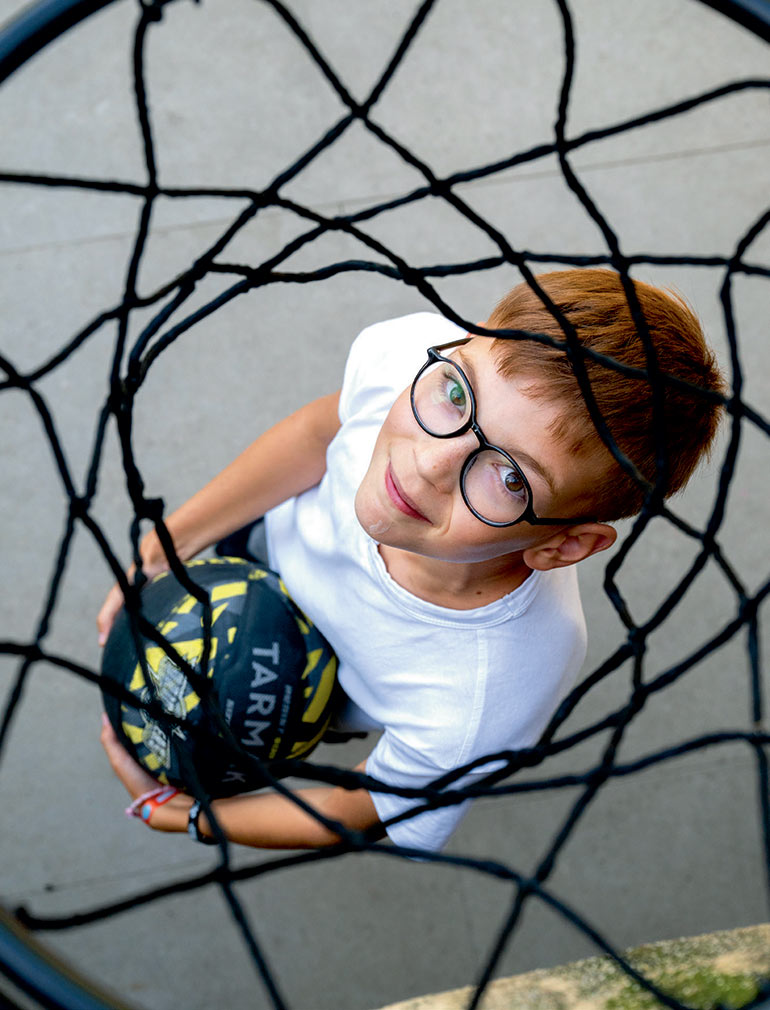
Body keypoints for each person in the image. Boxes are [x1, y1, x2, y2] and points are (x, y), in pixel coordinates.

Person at [97, 268, 725, 853]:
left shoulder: (484, 695)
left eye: (508, 477)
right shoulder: (420, 360)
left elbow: (367, 805)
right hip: (263, 551)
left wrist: (181, 815)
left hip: (321, 692)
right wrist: (165, 545)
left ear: (562, 546)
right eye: (459, 396)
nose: (428, 461)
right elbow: (321, 434)